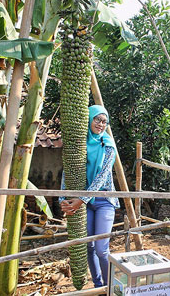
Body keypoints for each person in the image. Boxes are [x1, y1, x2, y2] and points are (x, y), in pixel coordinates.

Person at [60, 105, 120, 288]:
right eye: (97, 119)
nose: (101, 124)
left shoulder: (108, 146)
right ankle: (98, 284)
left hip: (103, 202)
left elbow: (102, 176)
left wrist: (82, 200)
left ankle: (110, 287)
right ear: (89, 119)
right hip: (84, 202)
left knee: (102, 249)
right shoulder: (80, 144)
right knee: (89, 246)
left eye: (104, 121)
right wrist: (62, 197)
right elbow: (68, 170)